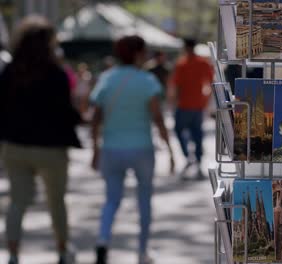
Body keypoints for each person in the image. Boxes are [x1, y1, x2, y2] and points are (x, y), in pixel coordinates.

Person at [0, 16, 81, 264]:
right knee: (56, 201)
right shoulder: (56, 74)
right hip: (51, 148)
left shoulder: (9, 71)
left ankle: (13, 254)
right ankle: (62, 250)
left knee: (17, 202)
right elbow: (67, 112)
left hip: (15, 146)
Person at [90, 35, 175, 264]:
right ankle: (142, 251)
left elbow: (96, 118)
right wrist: (170, 150)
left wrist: (95, 150)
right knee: (144, 200)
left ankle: (102, 240)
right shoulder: (147, 81)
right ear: (138, 53)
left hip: (111, 149)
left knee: (111, 200)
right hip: (142, 149)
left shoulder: (106, 79)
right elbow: (157, 118)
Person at [168, 39, 214, 180]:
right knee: (197, 134)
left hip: (185, 106)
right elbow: (212, 83)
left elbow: (174, 86)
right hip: (195, 106)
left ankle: (191, 159)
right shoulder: (201, 63)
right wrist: (206, 100)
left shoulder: (182, 63)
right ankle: (196, 162)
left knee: (183, 131)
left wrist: (172, 103)